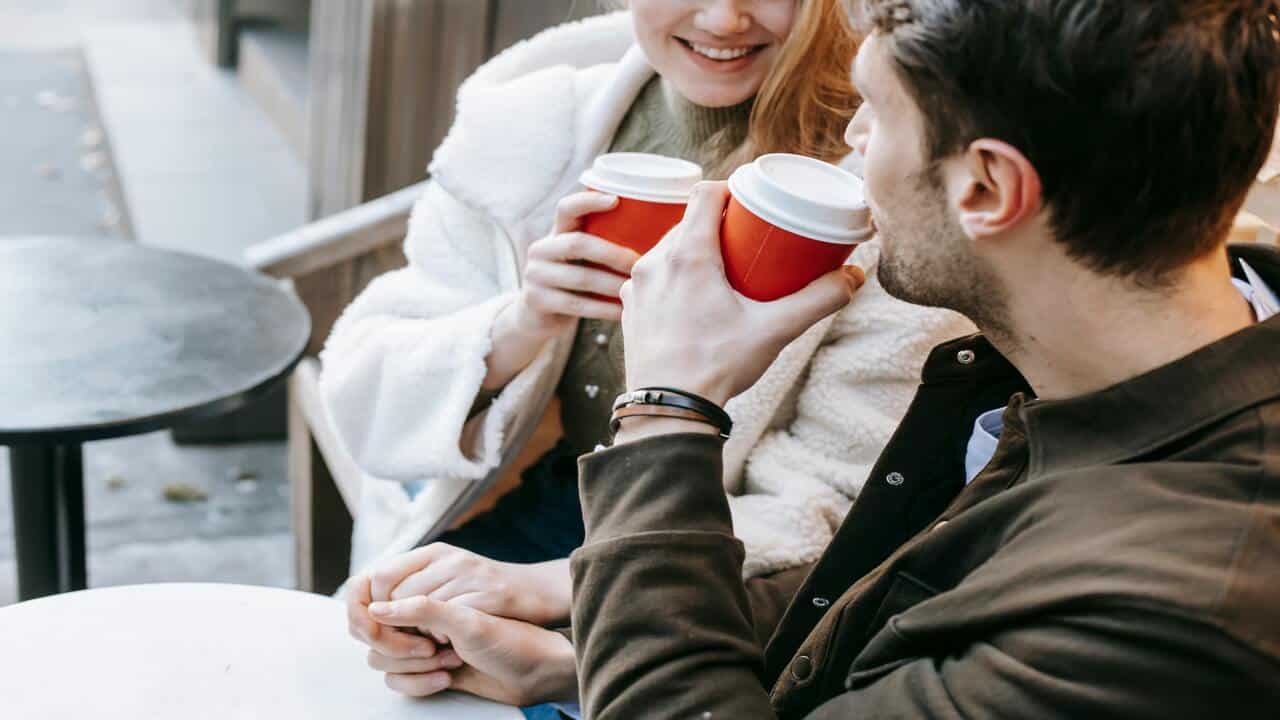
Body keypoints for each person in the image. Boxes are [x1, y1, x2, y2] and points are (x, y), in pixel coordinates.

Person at [356, 0, 1280, 717]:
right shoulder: (1057, 375)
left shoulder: (1166, 612)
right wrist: (570, 663)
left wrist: (668, 408)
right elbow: (881, 622)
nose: (848, 142)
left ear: (988, 187)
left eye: (874, 114)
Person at [326, 1, 969, 708]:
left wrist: (543, 587)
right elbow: (365, 387)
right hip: (536, 503)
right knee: (378, 656)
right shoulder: (529, 124)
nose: (725, 19)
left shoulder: (878, 186)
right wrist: (522, 321)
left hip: (721, 560)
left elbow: (830, 502)